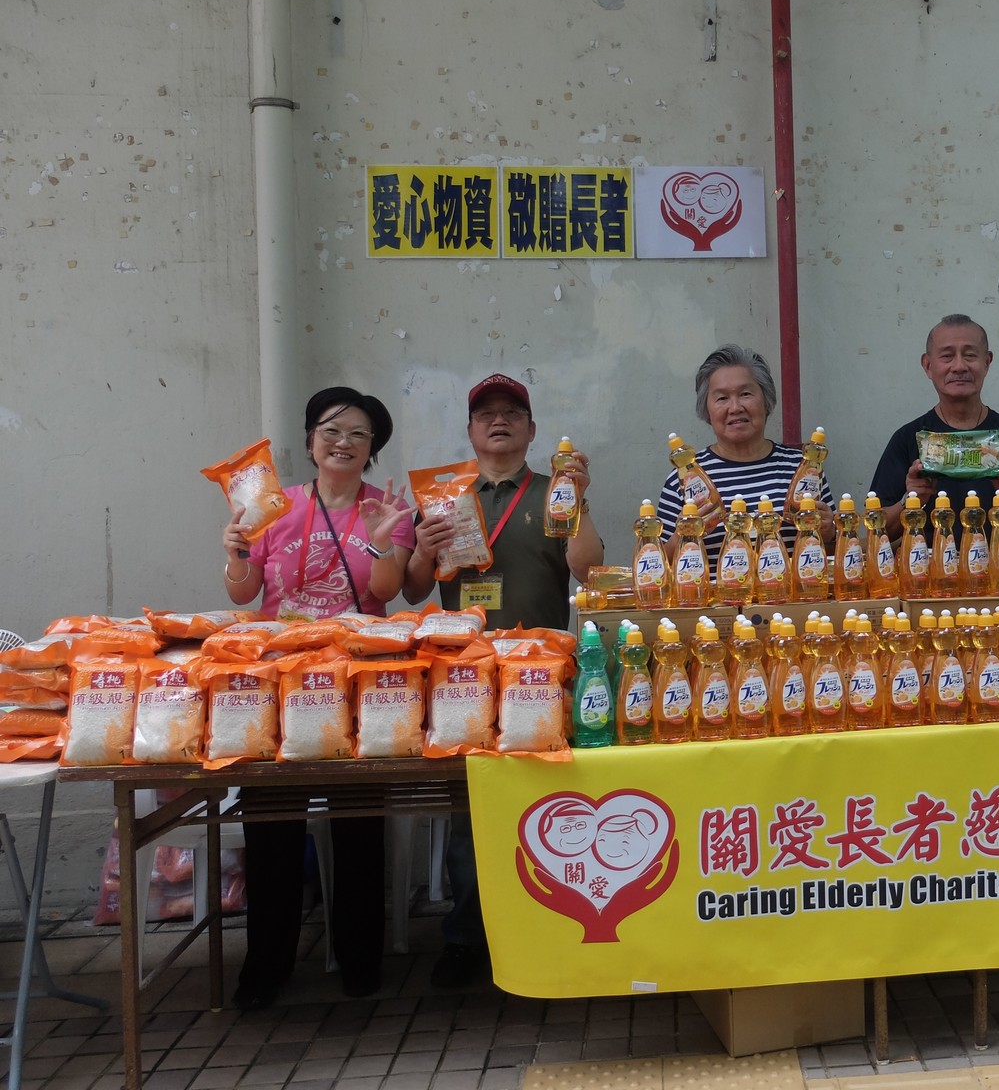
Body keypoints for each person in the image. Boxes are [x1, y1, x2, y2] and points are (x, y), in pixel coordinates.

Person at [403, 372, 605, 988]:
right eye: (486, 413)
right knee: (470, 811)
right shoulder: (444, 497)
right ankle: (467, 938)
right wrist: (421, 548)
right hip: (462, 675)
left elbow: (589, 571)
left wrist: (577, 499)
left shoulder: (553, 493)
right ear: (469, 430)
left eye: (512, 413)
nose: (499, 421)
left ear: (531, 429)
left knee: (543, 806)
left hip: (539, 677)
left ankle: (544, 930)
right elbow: (412, 589)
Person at [219, 386, 416, 1008]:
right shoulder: (273, 507)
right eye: (331, 430)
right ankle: (265, 966)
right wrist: (236, 554)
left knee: (358, 821)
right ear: (310, 441)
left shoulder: (389, 509)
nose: (343, 442)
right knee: (271, 823)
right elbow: (244, 593)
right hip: (279, 684)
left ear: (373, 448)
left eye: (359, 434)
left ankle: (360, 961)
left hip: (358, 684)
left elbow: (388, 590)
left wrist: (383, 542)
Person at [870, 314, 999, 539]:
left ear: (987, 362)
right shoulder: (908, 438)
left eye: (970, 355)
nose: (959, 366)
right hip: (928, 560)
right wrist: (912, 499)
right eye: (947, 356)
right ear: (928, 365)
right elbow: (875, 534)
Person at [655, 344, 835, 565]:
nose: (735, 408)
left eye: (745, 394)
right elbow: (657, 565)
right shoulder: (685, 478)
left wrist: (830, 533)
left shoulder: (803, 468)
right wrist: (682, 535)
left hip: (795, 587)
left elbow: (834, 552)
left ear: (766, 401)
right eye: (722, 398)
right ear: (707, 410)